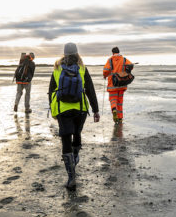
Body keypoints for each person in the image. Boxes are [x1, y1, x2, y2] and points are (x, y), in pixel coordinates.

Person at [48, 42, 100, 189]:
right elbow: (90, 89)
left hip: (63, 109)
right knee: (77, 134)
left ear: (64, 54)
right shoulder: (82, 68)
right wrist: (95, 110)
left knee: (65, 139)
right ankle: (75, 157)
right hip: (80, 108)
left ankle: (71, 178)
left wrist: (53, 111)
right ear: (77, 53)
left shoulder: (57, 68)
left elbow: (51, 91)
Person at [102, 46, 133, 124]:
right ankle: (120, 118)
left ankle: (114, 110)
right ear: (119, 52)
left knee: (113, 100)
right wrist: (125, 71)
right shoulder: (124, 59)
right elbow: (131, 65)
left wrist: (105, 75)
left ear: (112, 52)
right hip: (122, 84)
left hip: (113, 84)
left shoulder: (110, 60)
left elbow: (106, 70)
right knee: (120, 102)